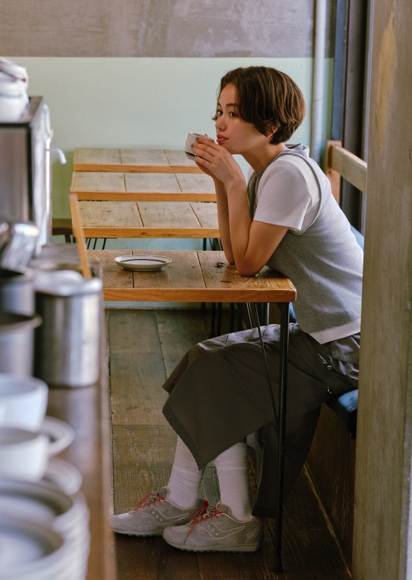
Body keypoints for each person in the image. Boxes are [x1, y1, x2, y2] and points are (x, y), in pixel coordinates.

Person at [110, 66, 363, 553]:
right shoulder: (268, 172)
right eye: (219, 111)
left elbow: (247, 264)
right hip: (327, 334)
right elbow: (234, 254)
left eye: (234, 114)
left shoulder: (288, 175)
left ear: (269, 125)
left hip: (346, 345)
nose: (220, 124)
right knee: (206, 359)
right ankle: (183, 500)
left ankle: (234, 519)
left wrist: (230, 180)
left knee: (218, 370)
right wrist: (223, 181)